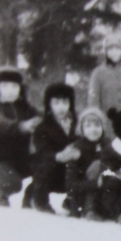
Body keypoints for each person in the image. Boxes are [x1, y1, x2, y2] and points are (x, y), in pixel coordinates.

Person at [0, 66, 41, 207]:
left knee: (46, 167)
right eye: (5, 86)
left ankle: (30, 198)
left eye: (14, 86)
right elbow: (0, 123)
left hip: (20, 160)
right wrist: (22, 126)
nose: (10, 90)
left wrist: (41, 121)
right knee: (14, 183)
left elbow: (42, 116)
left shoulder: (25, 108)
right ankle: (1, 193)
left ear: (20, 89)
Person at [25, 83, 79, 213]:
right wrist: (57, 156)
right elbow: (42, 151)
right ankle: (39, 199)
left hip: (70, 169)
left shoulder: (78, 123)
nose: (61, 107)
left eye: (65, 102)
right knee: (45, 164)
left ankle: (73, 201)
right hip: (52, 168)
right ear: (49, 104)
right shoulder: (42, 127)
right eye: (56, 103)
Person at [64, 107, 109, 220]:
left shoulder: (108, 145)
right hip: (83, 194)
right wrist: (95, 184)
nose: (93, 129)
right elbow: (71, 185)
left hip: (106, 191)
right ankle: (90, 209)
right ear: (82, 129)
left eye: (97, 125)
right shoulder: (76, 149)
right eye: (88, 126)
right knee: (96, 165)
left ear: (103, 127)